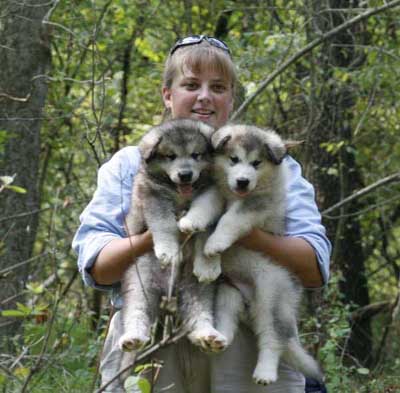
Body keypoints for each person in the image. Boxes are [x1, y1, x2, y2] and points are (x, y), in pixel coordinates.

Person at [72, 35, 331, 393]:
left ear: (231, 97)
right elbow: (98, 267)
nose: (205, 96)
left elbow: (314, 268)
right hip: (150, 340)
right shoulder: (131, 163)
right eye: (191, 85)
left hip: (240, 344)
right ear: (167, 94)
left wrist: (238, 227)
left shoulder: (267, 165)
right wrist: (159, 233)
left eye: (218, 87)